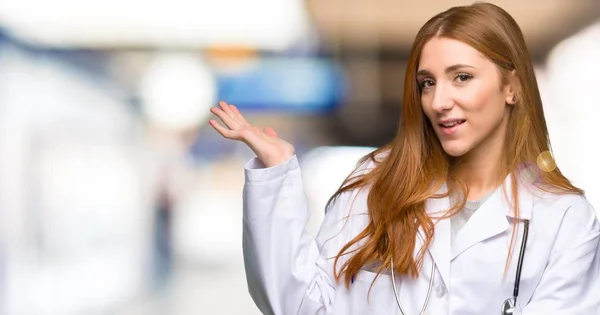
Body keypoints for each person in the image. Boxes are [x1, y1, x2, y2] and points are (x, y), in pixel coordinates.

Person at [209, 2, 600, 315]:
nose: (439, 102)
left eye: (461, 77)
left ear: (511, 87)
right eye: (427, 83)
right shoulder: (376, 183)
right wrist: (277, 172)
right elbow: (298, 306)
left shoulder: (565, 219)